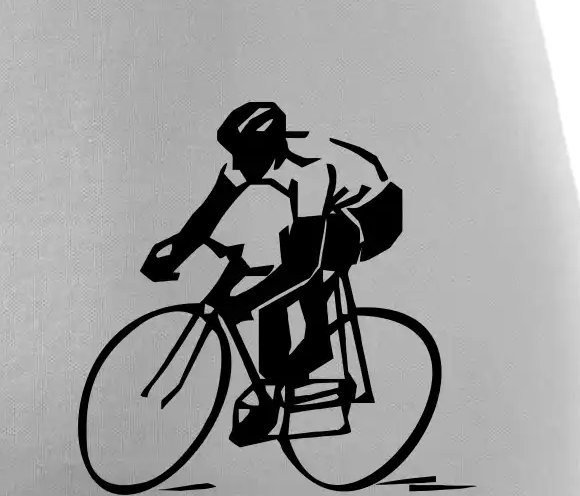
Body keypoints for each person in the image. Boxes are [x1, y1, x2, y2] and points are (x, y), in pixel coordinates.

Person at [142, 101, 404, 445]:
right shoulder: (246, 159)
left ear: (273, 151)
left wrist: (246, 303)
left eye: (246, 157)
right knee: (277, 266)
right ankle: (273, 387)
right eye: (234, 154)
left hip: (375, 214)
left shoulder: (310, 171)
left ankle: (312, 350)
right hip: (332, 209)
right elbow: (208, 215)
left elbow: (304, 266)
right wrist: (173, 257)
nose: (238, 165)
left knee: (288, 270)